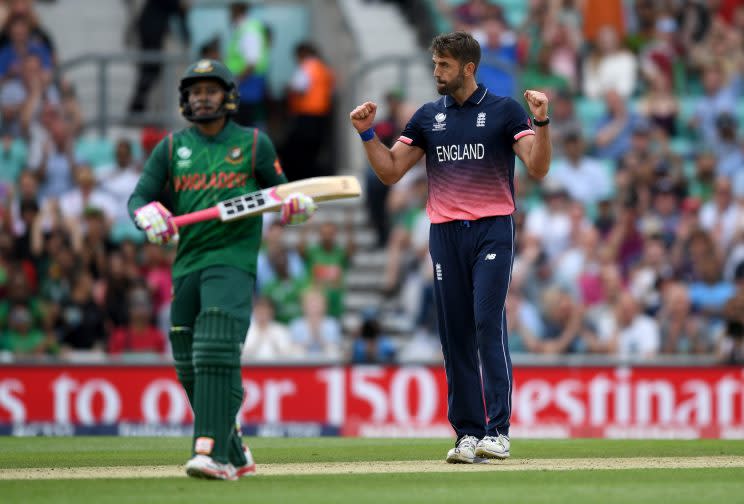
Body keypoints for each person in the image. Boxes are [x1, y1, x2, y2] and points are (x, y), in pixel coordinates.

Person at [349, 31, 551, 463]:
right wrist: (367, 134)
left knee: (485, 323)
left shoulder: (504, 110)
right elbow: (389, 173)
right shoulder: (427, 117)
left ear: (468, 67)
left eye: (443, 65)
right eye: (435, 64)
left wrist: (543, 123)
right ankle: (467, 434)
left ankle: (498, 432)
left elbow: (537, 166)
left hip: (492, 229)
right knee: (454, 333)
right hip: (444, 234)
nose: (436, 72)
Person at [127, 58, 317, 481]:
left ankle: (208, 451)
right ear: (186, 100)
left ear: (227, 96)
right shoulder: (172, 147)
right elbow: (138, 197)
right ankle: (234, 447)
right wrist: (147, 215)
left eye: (210, 90)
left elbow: (281, 196)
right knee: (189, 364)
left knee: (214, 348)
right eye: (195, 91)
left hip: (232, 261)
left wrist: (294, 209)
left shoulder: (253, 144)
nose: (202, 97)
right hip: (187, 263)